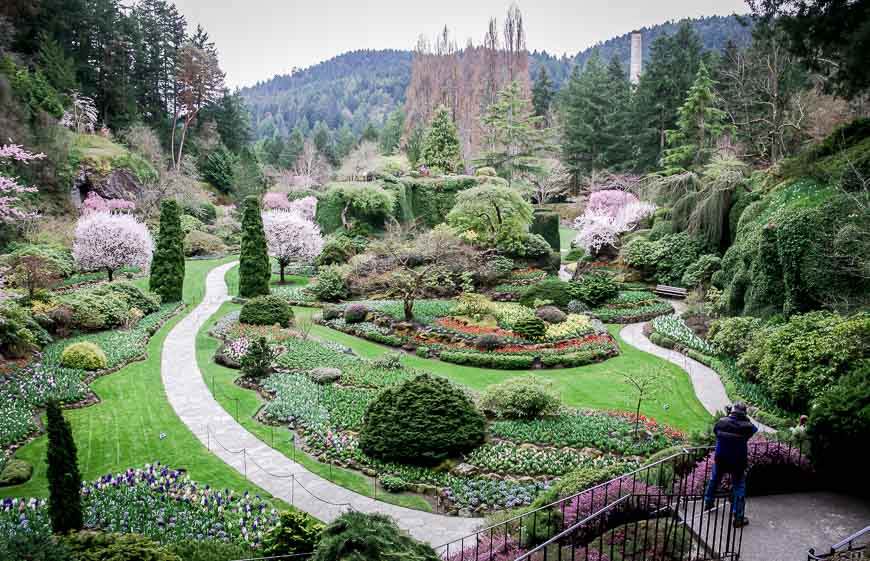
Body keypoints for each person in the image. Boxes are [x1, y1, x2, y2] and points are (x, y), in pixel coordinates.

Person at [704, 402, 758, 527]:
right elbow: (754, 430)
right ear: (744, 413)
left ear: (732, 411)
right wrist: (745, 418)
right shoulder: (747, 426)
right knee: (739, 486)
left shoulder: (722, 422)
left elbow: (715, 431)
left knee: (714, 480)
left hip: (721, 459)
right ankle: (738, 516)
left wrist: (728, 416)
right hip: (738, 462)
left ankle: (708, 503)